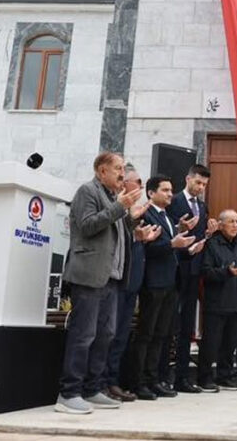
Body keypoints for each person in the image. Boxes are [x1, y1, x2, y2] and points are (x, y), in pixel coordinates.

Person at [55, 152, 150, 414]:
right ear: (101, 171)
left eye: (123, 169)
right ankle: (69, 392)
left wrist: (132, 223)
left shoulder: (111, 198)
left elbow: (112, 233)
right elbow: (87, 226)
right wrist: (120, 207)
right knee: (83, 335)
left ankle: (92, 389)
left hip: (112, 278)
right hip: (89, 275)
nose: (122, 174)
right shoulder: (88, 191)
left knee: (105, 336)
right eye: (117, 168)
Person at [132, 175, 203, 400]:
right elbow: (147, 248)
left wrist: (187, 247)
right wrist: (173, 243)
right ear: (151, 193)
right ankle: (139, 381)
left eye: (171, 190)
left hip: (170, 283)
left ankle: (154, 380)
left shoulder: (168, 218)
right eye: (165, 190)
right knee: (147, 334)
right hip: (152, 283)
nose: (170, 194)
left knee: (161, 335)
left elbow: (170, 249)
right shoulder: (146, 214)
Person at [105, 165, 158, 403]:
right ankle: (102, 383)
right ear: (125, 183)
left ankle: (113, 381)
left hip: (132, 282)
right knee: (109, 335)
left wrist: (142, 238)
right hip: (115, 281)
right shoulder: (114, 207)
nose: (141, 186)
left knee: (122, 337)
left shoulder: (138, 212)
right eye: (137, 181)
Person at [165, 164, 214, 393]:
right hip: (174, 271)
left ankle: (182, 378)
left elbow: (199, 238)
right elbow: (164, 232)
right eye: (198, 182)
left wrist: (207, 235)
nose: (201, 187)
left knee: (187, 328)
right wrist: (179, 228)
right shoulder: (173, 201)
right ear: (188, 179)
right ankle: (162, 376)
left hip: (194, 272)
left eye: (204, 184)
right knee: (167, 325)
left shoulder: (203, 207)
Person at [197, 210, 237, 392]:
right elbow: (205, 271)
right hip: (216, 303)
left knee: (230, 344)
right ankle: (204, 378)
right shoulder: (211, 245)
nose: (235, 225)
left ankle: (224, 376)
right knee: (211, 343)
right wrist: (226, 272)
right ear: (220, 225)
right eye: (231, 222)